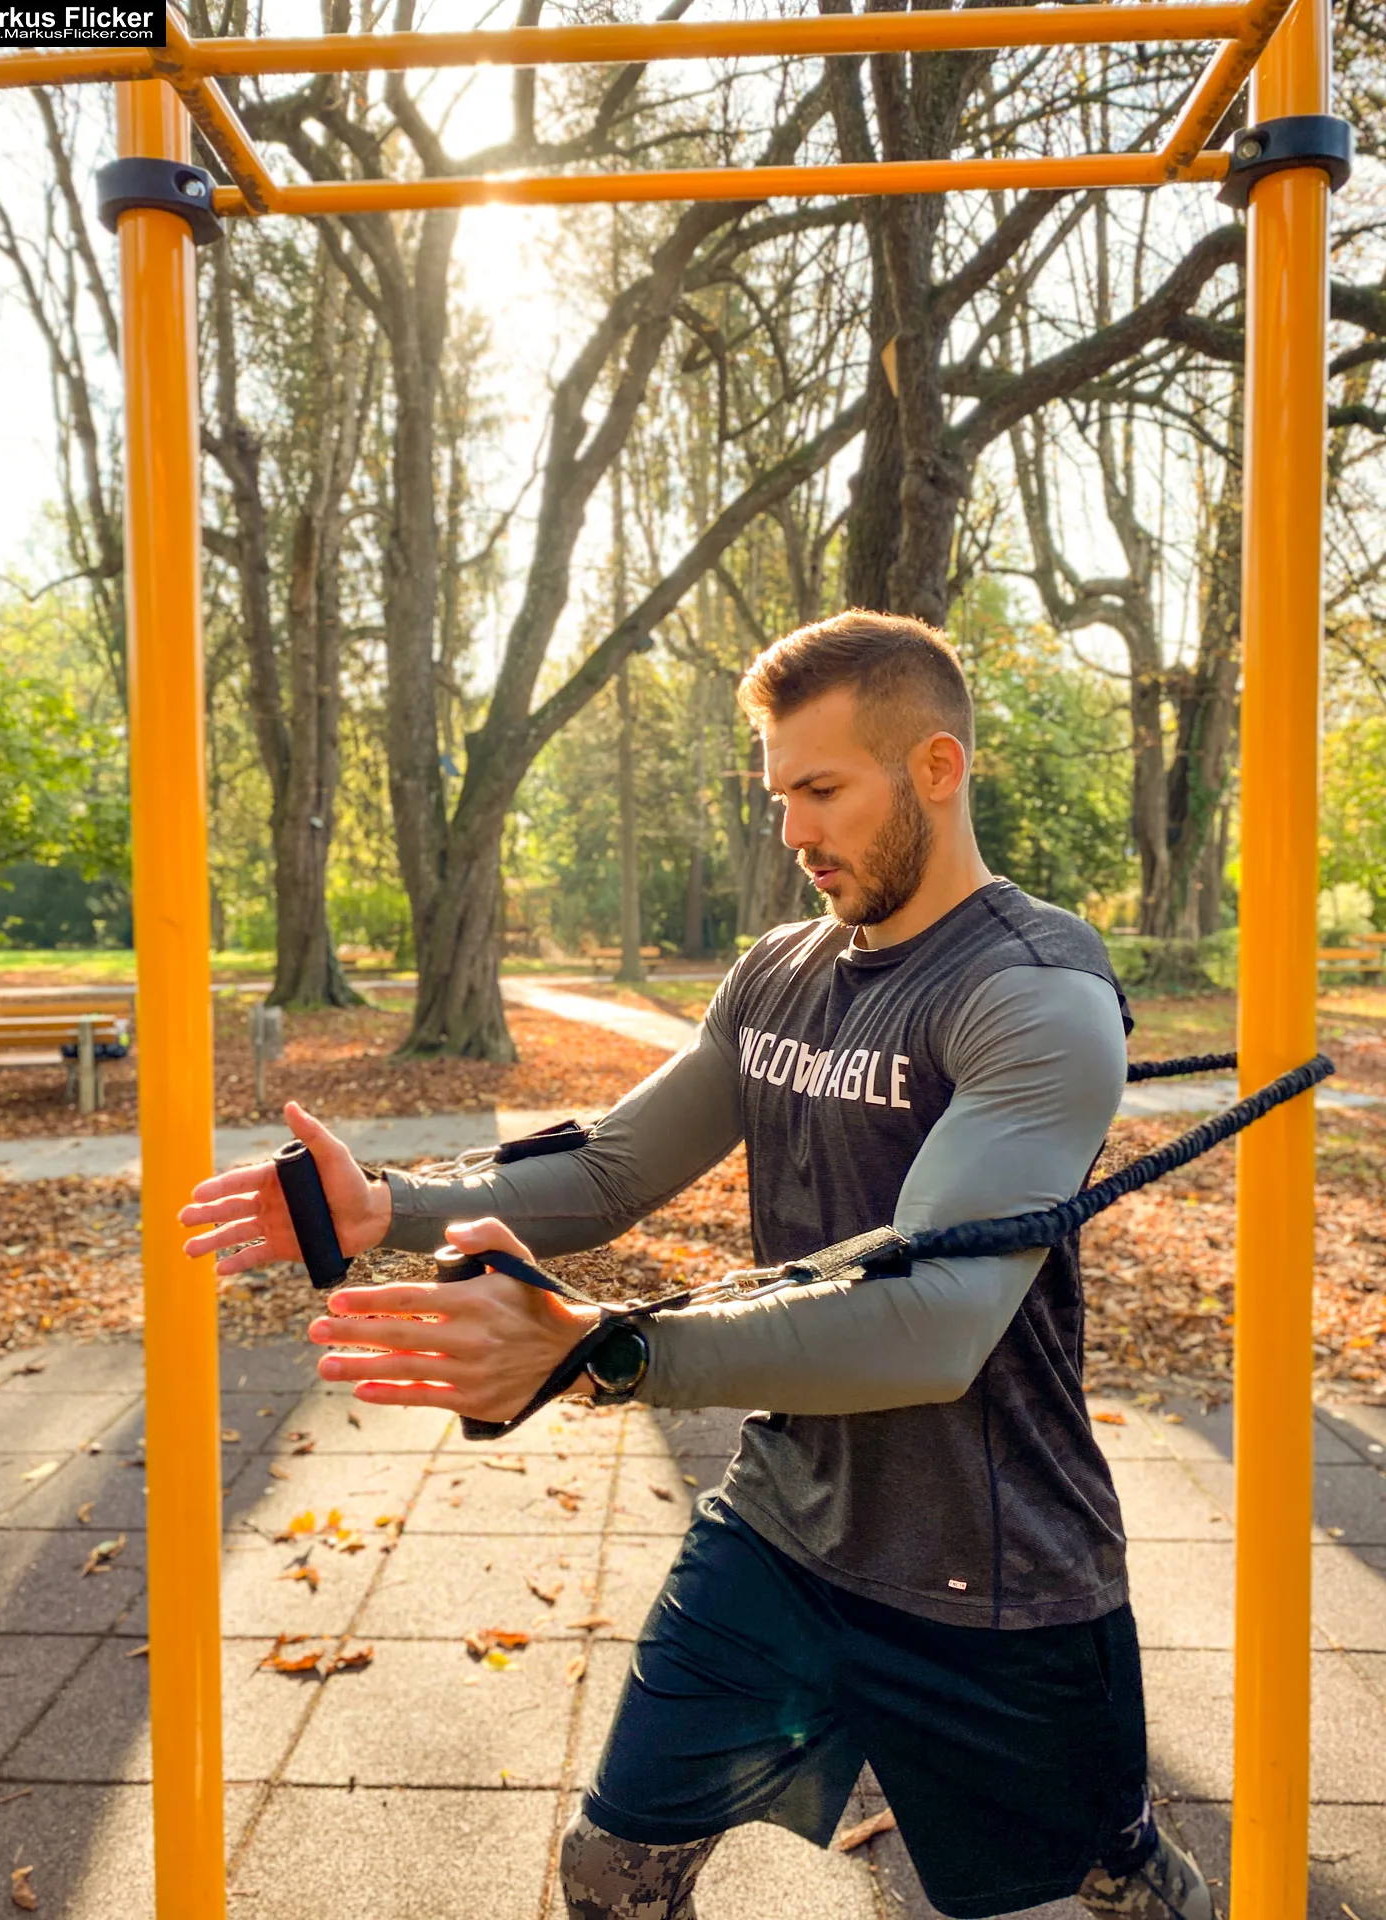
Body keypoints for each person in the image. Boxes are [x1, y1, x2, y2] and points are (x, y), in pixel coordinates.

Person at [181, 611, 1211, 1920]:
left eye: (823, 789)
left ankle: (1129, 1863)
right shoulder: (782, 971)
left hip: (994, 1574)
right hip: (786, 1526)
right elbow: (613, 1168)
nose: (792, 831)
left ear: (937, 770)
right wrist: (389, 1205)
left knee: (1097, 1902)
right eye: (780, 793)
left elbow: (937, 1322)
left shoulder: (1033, 993)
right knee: (614, 1874)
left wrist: (604, 1349)